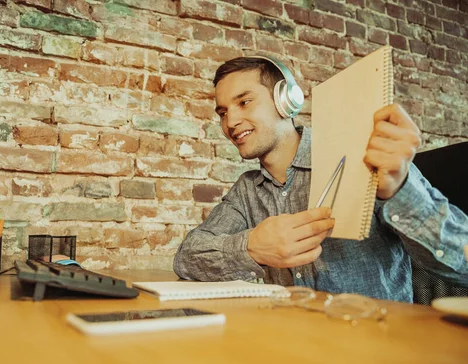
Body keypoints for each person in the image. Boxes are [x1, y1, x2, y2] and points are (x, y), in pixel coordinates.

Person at [173, 56, 468, 302]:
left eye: (244, 102)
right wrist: (250, 247)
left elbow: (463, 264)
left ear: (286, 100)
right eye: (223, 112)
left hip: (376, 350)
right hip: (298, 350)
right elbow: (187, 257)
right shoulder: (248, 190)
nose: (230, 122)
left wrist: (401, 190)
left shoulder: (366, 155)